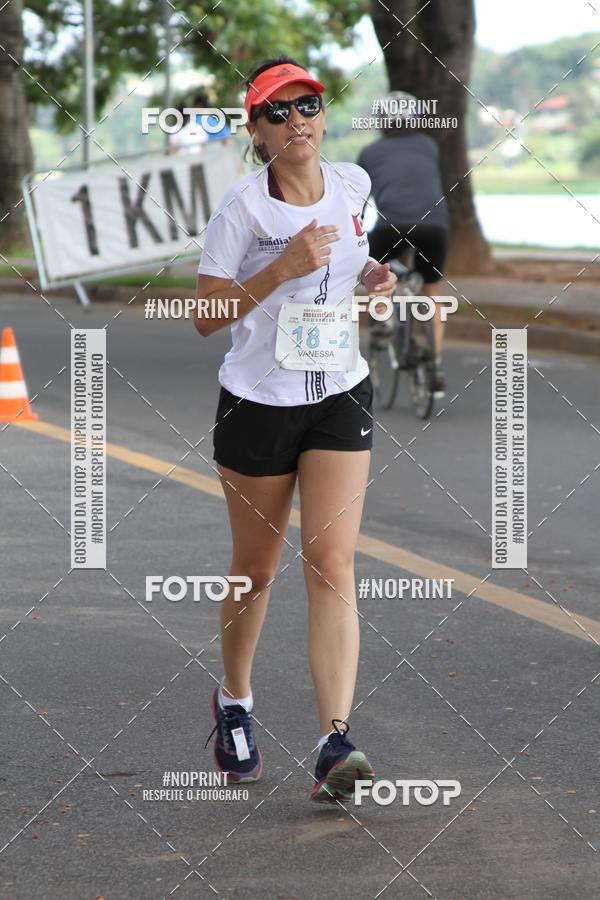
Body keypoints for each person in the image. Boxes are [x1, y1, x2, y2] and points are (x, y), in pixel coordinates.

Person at [194, 57, 397, 802]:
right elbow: (205, 315)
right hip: (258, 401)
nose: (297, 121)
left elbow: (352, 255)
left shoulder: (352, 184)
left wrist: (372, 276)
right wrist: (278, 271)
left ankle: (333, 741)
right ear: (256, 133)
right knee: (257, 569)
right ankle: (235, 702)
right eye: (276, 113)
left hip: (338, 391)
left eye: (306, 105)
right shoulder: (242, 210)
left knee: (332, 562)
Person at [357, 92, 450, 397]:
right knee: (432, 291)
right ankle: (436, 364)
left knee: (373, 268)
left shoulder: (370, 153)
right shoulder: (429, 146)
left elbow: (359, 203)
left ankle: (382, 314)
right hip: (434, 227)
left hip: (389, 227)